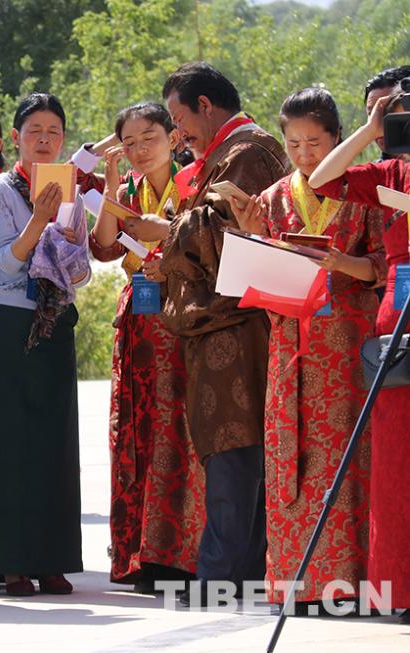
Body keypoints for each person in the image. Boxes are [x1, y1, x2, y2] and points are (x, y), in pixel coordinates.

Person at [123, 62, 291, 606]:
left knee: (233, 451)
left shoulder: (250, 150)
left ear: (205, 105)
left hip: (235, 325)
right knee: (230, 450)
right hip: (218, 323)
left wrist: (166, 231)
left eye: (178, 119)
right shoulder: (230, 151)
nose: (178, 133)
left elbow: (223, 231)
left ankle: (219, 576)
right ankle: (236, 573)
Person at [232, 88, 385, 607]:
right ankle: (296, 584)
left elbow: (382, 266)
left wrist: (341, 263)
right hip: (291, 347)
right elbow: (257, 279)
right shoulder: (274, 198)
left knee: (349, 459)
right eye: (294, 144)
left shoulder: (364, 193)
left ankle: (352, 581)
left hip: (348, 349)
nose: (304, 154)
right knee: (290, 458)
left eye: (315, 143)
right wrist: (253, 236)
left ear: (338, 138)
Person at [0, 92, 90, 597]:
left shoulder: (71, 191)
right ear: (15, 138)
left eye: (54, 131)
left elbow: (81, 270)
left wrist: (66, 238)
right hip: (7, 322)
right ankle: (9, 562)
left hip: (54, 319)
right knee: (5, 441)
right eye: (35, 131)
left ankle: (51, 558)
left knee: (53, 440)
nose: (44, 140)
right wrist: (39, 221)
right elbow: (3, 266)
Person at [89, 103, 205, 593]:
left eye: (149, 137)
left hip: (182, 322)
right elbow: (103, 248)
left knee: (181, 434)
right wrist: (110, 186)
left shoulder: (194, 185)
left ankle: (181, 554)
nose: (139, 150)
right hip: (139, 323)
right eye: (129, 142)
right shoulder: (126, 191)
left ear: (173, 138)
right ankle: (139, 553)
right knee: (136, 433)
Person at [308, 91, 410, 623]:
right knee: (396, 458)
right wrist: (372, 131)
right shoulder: (390, 172)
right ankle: (401, 587)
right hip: (399, 313)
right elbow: (321, 180)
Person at [363, 66, 410, 161]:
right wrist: (368, 130)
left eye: (388, 112)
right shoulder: (378, 170)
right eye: (372, 114)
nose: (379, 124)